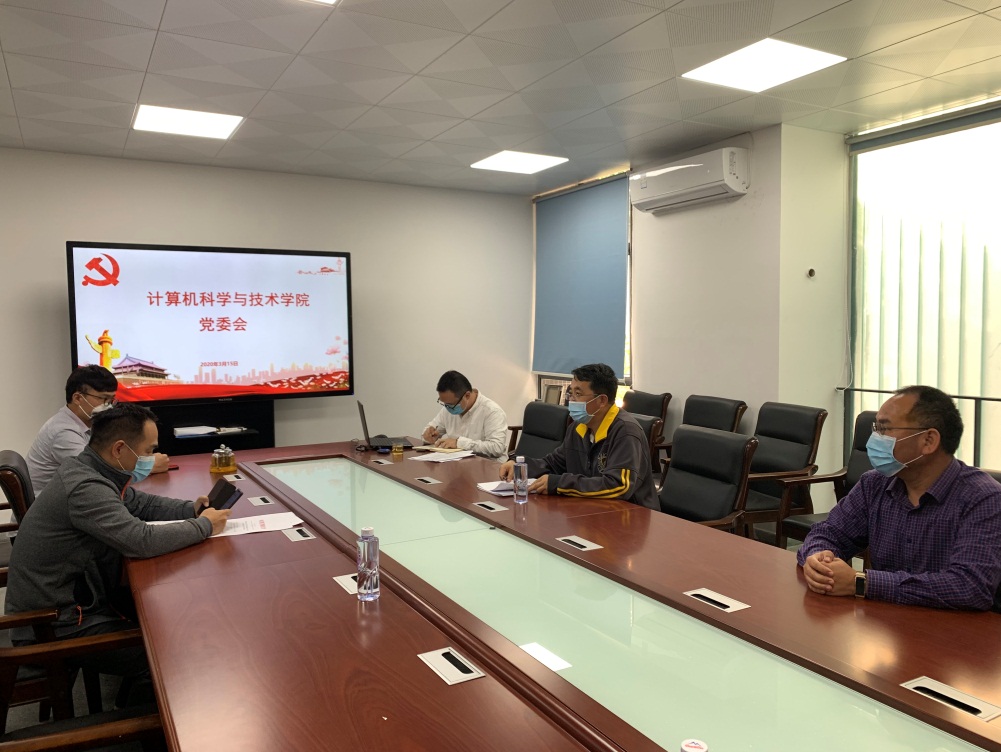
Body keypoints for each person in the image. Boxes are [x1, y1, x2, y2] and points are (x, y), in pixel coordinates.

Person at [5, 403, 231, 690]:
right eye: (148, 451)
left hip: (74, 603)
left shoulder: (92, 469)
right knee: (172, 651)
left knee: (167, 618)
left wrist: (191, 509)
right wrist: (204, 526)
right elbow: (140, 540)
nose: (152, 457)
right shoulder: (85, 487)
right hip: (54, 624)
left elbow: (140, 503)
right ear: (120, 449)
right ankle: (154, 712)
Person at [798, 385, 1001, 611]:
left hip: (953, 628)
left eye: (884, 429)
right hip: (884, 621)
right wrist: (818, 559)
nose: (874, 439)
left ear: (928, 441)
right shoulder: (874, 484)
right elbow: (828, 532)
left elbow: (969, 587)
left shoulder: (984, 498)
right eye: (876, 428)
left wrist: (862, 583)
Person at [499, 363, 658, 510]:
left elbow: (619, 486)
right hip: (590, 509)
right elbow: (555, 463)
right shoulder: (578, 427)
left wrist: (560, 484)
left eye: (578, 393)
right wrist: (521, 466)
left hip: (630, 514)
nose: (571, 400)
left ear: (601, 400)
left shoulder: (625, 431)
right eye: (571, 393)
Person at [27, 365, 170, 495]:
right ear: (78, 398)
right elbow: (99, 476)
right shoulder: (63, 432)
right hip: (55, 509)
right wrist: (148, 467)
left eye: (112, 400)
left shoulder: (89, 424)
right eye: (104, 399)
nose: (109, 406)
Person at [421, 370, 508, 460]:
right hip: (455, 462)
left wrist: (459, 443)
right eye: (444, 403)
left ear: (467, 395)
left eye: (451, 404)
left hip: (487, 466)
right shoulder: (448, 407)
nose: (447, 407)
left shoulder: (492, 411)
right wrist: (428, 435)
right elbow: (431, 430)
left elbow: (497, 447)